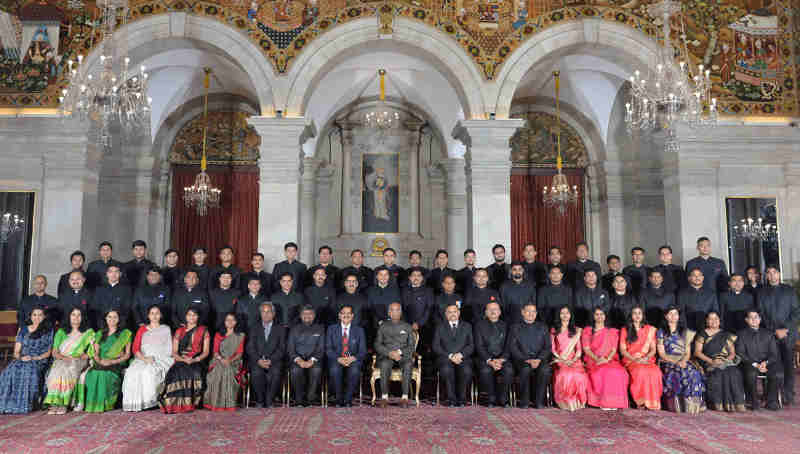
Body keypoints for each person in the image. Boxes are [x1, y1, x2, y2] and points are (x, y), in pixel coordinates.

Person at [756, 264, 799, 406]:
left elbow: (796, 312)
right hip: (770, 334)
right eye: (769, 273)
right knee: (771, 364)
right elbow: (760, 314)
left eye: (775, 272)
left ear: (779, 274)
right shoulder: (761, 292)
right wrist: (775, 330)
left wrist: (785, 329)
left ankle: (788, 394)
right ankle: (770, 395)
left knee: (788, 365)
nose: (772, 275)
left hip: (788, 334)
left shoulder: (789, 290)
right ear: (766, 276)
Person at [74, 309, 132, 412]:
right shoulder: (99, 333)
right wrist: (99, 360)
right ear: (105, 318)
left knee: (103, 375)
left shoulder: (125, 333)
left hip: (116, 364)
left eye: (115, 317)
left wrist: (111, 361)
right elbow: (95, 352)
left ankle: (105, 404)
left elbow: (127, 355)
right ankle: (91, 405)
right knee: (93, 374)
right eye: (109, 317)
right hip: (99, 362)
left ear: (119, 319)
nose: (112, 319)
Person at [0, 307, 53, 413]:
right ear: (30, 316)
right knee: (10, 370)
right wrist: (21, 358)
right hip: (23, 358)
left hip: (39, 359)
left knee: (28, 369)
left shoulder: (48, 330)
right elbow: (16, 352)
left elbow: (49, 352)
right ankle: (8, 403)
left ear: (44, 317)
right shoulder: (23, 329)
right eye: (34, 315)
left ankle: (25, 404)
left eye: (40, 315)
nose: (37, 317)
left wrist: (35, 358)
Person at [122, 305, 174, 412]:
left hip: (161, 358)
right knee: (132, 372)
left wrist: (156, 358)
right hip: (143, 357)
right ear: (148, 316)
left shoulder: (166, 329)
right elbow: (135, 348)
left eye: (157, 313)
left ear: (161, 315)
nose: (154, 316)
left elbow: (169, 348)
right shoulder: (142, 329)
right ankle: (134, 403)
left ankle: (150, 402)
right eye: (152, 313)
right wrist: (144, 359)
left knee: (148, 372)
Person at [159, 307, 210, 413]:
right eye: (189, 315)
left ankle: (190, 404)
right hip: (180, 360)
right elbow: (174, 352)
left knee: (193, 372)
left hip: (197, 361)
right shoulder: (179, 331)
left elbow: (206, 352)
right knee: (175, 373)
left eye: (194, 315)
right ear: (186, 317)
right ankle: (173, 405)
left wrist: (194, 359)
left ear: (198, 317)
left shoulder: (203, 330)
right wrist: (182, 360)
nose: (192, 317)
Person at [43, 307, 93, 414]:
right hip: (62, 359)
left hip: (77, 360)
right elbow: (55, 352)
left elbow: (91, 352)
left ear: (83, 317)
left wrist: (83, 356)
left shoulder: (88, 332)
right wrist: (64, 358)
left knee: (67, 369)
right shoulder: (61, 332)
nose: (76, 318)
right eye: (73, 315)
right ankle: (54, 403)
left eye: (79, 315)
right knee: (58, 370)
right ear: (69, 317)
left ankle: (64, 403)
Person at [694, 311, 746, 412]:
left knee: (734, 373)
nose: (713, 321)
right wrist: (712, 361)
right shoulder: (702, 334)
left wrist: (725, 361)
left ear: (719, 321)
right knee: (717, 373)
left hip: (725, 361)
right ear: (707, 321)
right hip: (709, 361)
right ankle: (718, 403)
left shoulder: (726, 335)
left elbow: (732, 353)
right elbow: (697, 352)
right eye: (711, 319)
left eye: (716, 319)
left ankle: (737, 403)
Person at [657, 306, 705, 414]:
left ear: (679, 316)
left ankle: (693, 406)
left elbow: (687, 353)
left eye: (676, 314)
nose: (673, 316)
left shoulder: (685, 331)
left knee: (693, 373)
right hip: (668, 361)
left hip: (683, 360)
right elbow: (662, 353)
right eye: (670, 314)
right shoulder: (661, 331)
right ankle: (678, 405)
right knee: (679, 373)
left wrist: (683, 361)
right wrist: (675, 362)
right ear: (665, 316)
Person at [581, 307, 629, 409]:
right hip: (593, 360)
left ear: (605, 316)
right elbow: (587, 349)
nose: (599, 317)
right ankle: (604, 402)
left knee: (619, 371)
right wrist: (597, 359)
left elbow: (613, 349)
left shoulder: (612, 331)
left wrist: (607, 359)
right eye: (597, 314)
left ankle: (615, 403)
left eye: (601, 314)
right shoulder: (588, 331)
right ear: (593, 316)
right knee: (604, 371)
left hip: (609, 359)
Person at [735, 309, 783, 411]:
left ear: (760, 319)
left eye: (756, 317)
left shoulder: (768, 334)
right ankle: (753, 401)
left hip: (767, 363)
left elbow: (774, 353)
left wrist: (765, 363)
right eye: (750, 318)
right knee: (750, 374)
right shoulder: (741, 334)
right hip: (750, 363)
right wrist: (756, 364)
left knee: (778, 373)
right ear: (746, 320)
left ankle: (771, 401)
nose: (753, 320)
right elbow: (740, 353)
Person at [508, 303, 552, 408]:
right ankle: (524, 401)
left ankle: (539, 401)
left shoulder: (543, 327)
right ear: (522, 312)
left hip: (540, 359)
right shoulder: (515, 327)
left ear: (536, 314)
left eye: (533, 312)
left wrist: (539, 359)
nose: (530, 314)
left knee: (545, 370)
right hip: (522, 360)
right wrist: (525, 359)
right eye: (528, 311)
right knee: (525, 370)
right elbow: (513, 348)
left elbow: (548, 347)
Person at [619, 305, 662, 410]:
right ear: (631, 315)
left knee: (655, 372)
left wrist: (646, 358)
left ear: (643, 315)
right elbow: (622, 350)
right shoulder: (625, 330)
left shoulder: (650, 330)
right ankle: (640, 402)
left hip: (646, 360)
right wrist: (634, 359)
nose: (637, 316)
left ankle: (653, 403)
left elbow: (653, 350)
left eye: (639, 313)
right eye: (635, 313)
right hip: (631, 360)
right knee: (640, 371)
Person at [375, 302, 416, 408]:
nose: (395, 312)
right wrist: (389, 353)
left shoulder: (407, 327)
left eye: (397, 310)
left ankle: (405, 398)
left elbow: (411, 346)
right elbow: (377, 344)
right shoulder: (383, 326)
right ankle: (384, 397)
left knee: (408, 365)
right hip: (387, 355)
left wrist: (399, 352)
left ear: (401, 312)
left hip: (403, 355)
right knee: (384, 364)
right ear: (389, 312)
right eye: (392, 310)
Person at [433, 303, 474, 408]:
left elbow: (471, 345)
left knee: (466, 370)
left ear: (459, 313)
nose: (452, 314)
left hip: (463, 358)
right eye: (449, 312)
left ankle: (462, 399)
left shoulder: (467, 326)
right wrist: (450, 356)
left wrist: (460, 355)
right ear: (446, 314)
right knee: (446, 369)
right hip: (446, 358)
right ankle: (451, 399)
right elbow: (436, 346)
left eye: (454, 312)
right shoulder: (440, 327)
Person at [204, 312, 246, 411]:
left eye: (232, 320)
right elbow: (215, 351)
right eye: (227, 320)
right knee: (218, 370)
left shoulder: (240, 335)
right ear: (224, 322)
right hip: (218, 359)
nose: (230, 322)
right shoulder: (219, 334)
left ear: (236, 322)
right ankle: (215, 404)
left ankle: (229, 404)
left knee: (228, 370)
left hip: (234, 361)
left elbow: (240, 353)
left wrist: (230, 360)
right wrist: (221, 359)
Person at [326, 305, 367, 407]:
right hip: (337, 359)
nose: (346, 315)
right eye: (343, 313)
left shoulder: (359, 330)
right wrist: (338, 358)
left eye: (349, 313)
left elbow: (362, 350)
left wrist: (352, 358)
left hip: (353, 359)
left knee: (355, 370)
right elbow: (328, 348)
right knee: (335, 370)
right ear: (339, 315)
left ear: (352, 316)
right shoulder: (331, 329)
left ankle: (348, 399)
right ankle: (339, 399)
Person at [550, 305, 590, 411]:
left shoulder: (576, 330)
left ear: (570, 315)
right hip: (560, 360)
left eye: (567, 313)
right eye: (562, 313)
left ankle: (578, 402)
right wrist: (562, 359)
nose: (565, 315)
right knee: (565, 374)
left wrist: (573, 360)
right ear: (559, 315)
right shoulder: (554, 330)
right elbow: (553, 349)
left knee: (579, 375)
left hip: (574, 360)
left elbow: (579, 349)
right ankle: (566, 402)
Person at [247, 302, 286, 408]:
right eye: (263, 312)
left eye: (268, 312)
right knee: (256, 373)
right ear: (260, 314)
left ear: (273, 314)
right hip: (257, 360)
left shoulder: (280, 328)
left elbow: (282, 348)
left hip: (274, 360)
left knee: (276, 372)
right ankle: (260, 400)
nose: (266, 314)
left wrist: (271, 360)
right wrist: (259, 360)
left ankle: (270, 400)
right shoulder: (254, 327)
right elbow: (250, 347)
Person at [474, 301, 511, 407]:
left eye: (495, 309)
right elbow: (479, 346)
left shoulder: (506, 325)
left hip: (502, 359)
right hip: (484, 358)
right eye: (490, 309)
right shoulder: (479, 325)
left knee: (509, 370)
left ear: (499, 312)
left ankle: (503, 398)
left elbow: (509, 346)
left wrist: (501, 359)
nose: (493, 311)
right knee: (485, 370)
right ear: (486, 312)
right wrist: (489, 360)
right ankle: (491, 398)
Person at [287, 305, 325, 407]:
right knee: (295, 371)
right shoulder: (294, 329)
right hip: (297, 360)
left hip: (314, 360)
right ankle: (298, 399)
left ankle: (310, 399)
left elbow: (321, 348)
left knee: (316, 370)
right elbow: (290, 348)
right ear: (300, 316)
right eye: (304, 314)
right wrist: (299, 360)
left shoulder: (320, 328)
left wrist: (311, 361)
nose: (307, 316)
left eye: (310, 314)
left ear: (314, 316)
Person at [91, 264, 133, 330]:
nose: (113, 274)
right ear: (107, 274)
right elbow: (96, 308)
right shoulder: (99, 289)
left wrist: (119, 323)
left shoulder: (126, 289)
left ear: (120, 274)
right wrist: (102, 323)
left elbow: (127, 309)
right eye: (111, 272)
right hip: (102, 325)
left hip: (120, 325)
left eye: (116, 272)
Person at [678, 268, 719, 332]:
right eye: (694, 275)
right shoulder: (682, 293)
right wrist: (685, 329)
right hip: (689, 329)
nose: (697, 277)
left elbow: (715, 311)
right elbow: (681, 313)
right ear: (689, 278)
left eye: (699, 275)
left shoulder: (711, 293)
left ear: (703, 278)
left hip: (708, 328)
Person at [402, 267, 434, 348]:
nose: (416, 278)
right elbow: (402, 308)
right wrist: (410, 323)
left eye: (418, 275)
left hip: (424, 326)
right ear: (409, 278)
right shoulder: (404, 290)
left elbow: (429, 309)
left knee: (423, 351)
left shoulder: (428, 290)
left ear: (422, 278)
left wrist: (419, 323)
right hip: (406, 325)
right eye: (413, 275)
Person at [499, 262, 536, 326]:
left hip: (528, 320)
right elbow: (503, 305)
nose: (517, 271)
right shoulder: (504, 286)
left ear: (523, 270)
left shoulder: (530, 285)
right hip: (510, 321)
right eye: (514, 269)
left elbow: (533, 302)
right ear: (511, 271)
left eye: (519, 269)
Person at [367, 267, 401, 336]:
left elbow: (398, 307)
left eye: (386, 274)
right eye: (381, 274)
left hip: (392, 325)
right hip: (374, 326)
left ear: (389, 276)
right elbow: (369, 308)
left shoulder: (395, 290)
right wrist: (378, 321)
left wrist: (391, 320)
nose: (383, 277)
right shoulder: (370, 290)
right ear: (376, 276)